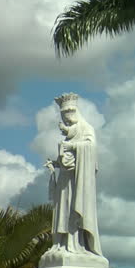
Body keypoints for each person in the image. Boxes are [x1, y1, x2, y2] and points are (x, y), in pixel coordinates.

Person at [45, 93, 102, 255]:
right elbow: (66, 160)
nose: (66, 120)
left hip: (78, 182)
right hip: (65, 180)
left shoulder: (86, 129)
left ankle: (75, 243)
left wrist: (72, 147)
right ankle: (61, 244)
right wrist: (55, 164)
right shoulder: (69, 135)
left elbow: (91, 149)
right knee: (62, 210)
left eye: (68, 115)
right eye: (64, 117)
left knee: (74, 209)